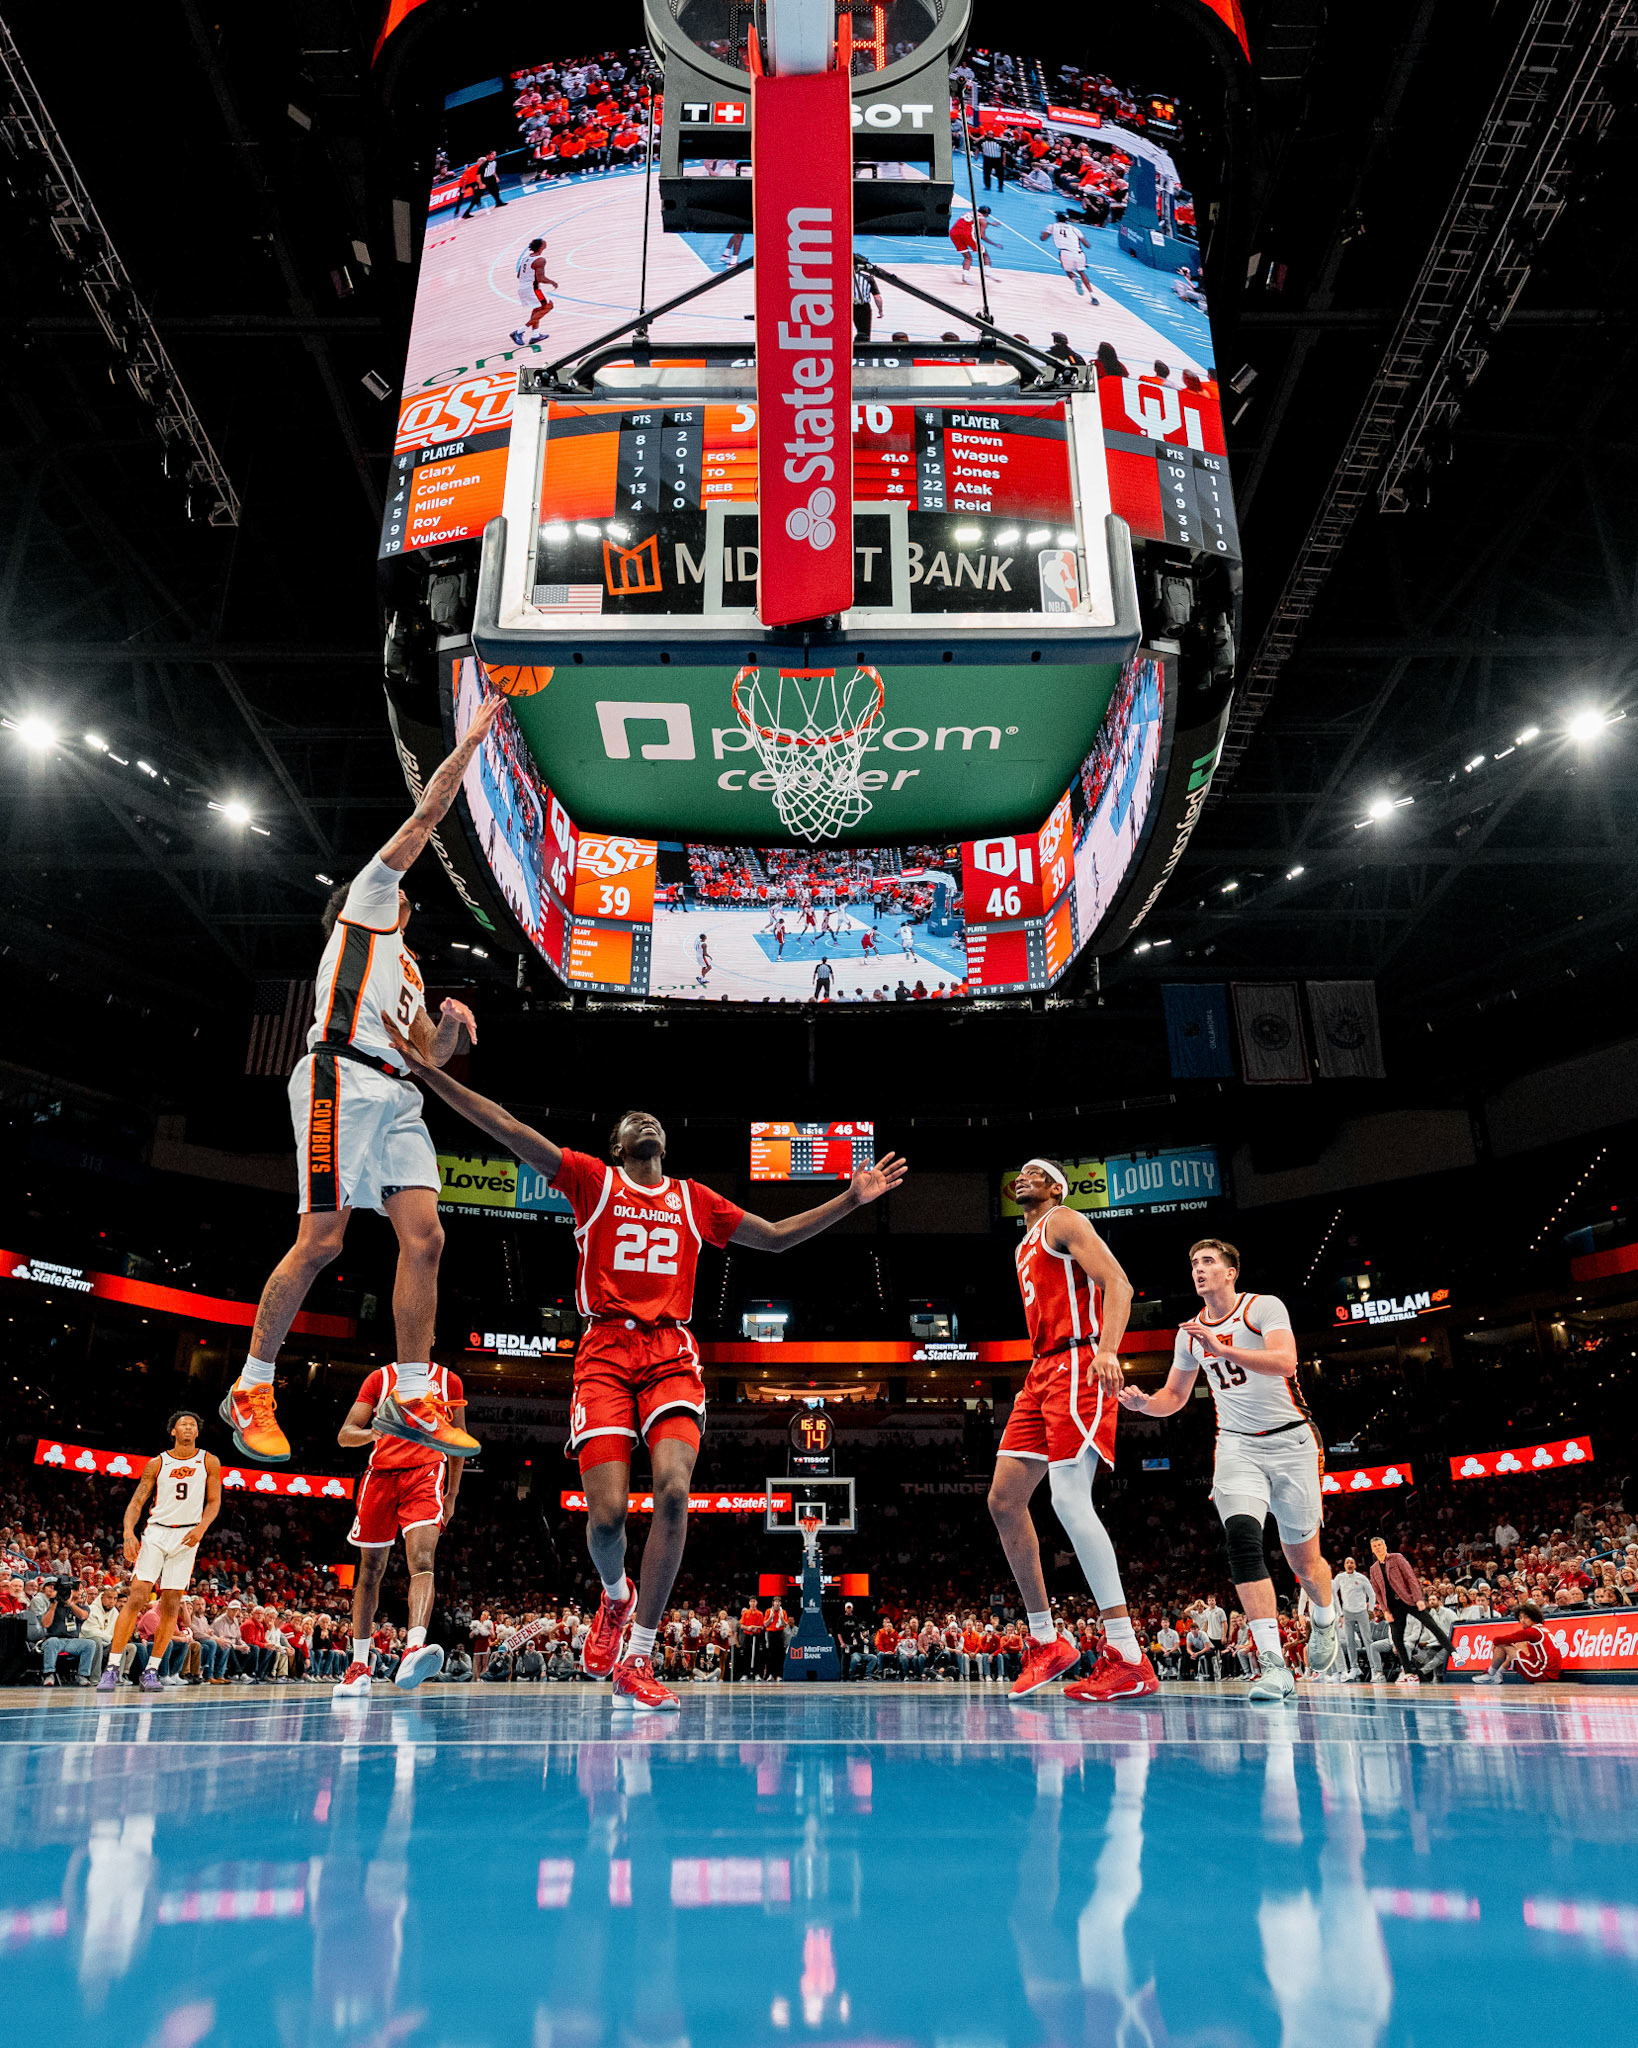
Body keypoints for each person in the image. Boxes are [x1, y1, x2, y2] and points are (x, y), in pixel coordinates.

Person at [373, 1041, 908, 1712]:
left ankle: (640, 1653)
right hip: (603, 1352)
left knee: (677, 1494)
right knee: (605, 1520)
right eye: (632, 1121)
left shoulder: (694, 1199)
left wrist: (850, 1199)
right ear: (619, 1145)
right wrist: (429, 1073)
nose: (644, 1121)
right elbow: (508, 1129)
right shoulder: (592, 1182)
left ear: (660, 1144)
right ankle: (616, 1596)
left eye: (651, 1120)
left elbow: (772, 1237)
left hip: (670, 1355)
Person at [222, 700, 498, 1466]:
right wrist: (470, 744)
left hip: (396, 1092)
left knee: (427, 1235)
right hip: (337, 1079)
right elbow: (426, 817)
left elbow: (427, 1055)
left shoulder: (403, 964)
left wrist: (452, 1030)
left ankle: (413, 1391)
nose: (408, 888)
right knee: (322, 1240)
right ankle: (250, 1385)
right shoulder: (366, 908)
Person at [1120, 1238, 1341, 1702]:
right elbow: (1175, 1397)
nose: (1198, 1270)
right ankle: (1274, 1666)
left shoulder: (1262, 1308)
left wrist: (1221, 1348)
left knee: (1303, 1561)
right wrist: (1145, 1405)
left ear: (1230, 1271)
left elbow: (1285, 1361)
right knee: (1242, 1541)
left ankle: (1324, 1615)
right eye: (1193, 1263)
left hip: (1292, 1440)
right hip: (1236, 1447)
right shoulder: (1188, 1333)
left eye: (1207, 1262)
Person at [987, 1158, 1159, 1704]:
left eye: (1034, 1173)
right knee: (1004, 1501)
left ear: (1056, 1187)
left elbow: (1119, 1283)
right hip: (1040, 1372)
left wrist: (1108, 1349)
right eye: (1017, 1173)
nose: (1021, 1178)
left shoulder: (1063, 1220)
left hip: (1077, 1362)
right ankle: (1046, 1640)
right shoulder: (1022, 1244)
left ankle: (1127, 1653)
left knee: (1068, 1499)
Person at [330, 1355, 468, 1697]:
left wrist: (451, 1494)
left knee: (422, 1561)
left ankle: (413, 1648)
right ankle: (359, 1666)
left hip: (425, 1473)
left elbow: (458, 1440)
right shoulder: (379, 1379)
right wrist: (372, 1431)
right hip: (380, 1477)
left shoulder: (448, 1380)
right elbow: (345, 1435)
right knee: (370, 1570)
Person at [98, 1410, 223, 1696]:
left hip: (187, 1535)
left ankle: (152, 1670)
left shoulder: (209, 1460)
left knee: (171, 1603)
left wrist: (202, 1529)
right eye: (183, 1424)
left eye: (193, 1424)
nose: (189, 1427)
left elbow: (214, 1501)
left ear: (197, 1433)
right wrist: (129, 1533)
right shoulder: (158, 1462)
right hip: (156, 1531)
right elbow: (137, 1500)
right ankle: (112, 1667)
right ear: (173, 1432)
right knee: (138, 1594)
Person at [1367, 1535, 1453, 1685]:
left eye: (1380, 1545)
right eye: (1375, 1546)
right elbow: (1378, 1593)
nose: (1378, 1548)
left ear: (1385, 1546)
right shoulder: (1373, 1569)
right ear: (1372, 1550)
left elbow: (1411, 1578)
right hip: (1393, 1608)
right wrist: (1385, 1610)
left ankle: (1452, 1652)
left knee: (1428, 1627)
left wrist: (1419, 1598)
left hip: (1408, 1602)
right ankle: (1401, 1673)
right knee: (1394, 1640)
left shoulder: (1397, 1558)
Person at [1474, 1601, 1563, 1684]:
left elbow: (1499, 1640)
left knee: (1503, 1644)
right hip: (1551, 1673)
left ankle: (1490, 1674)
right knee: (1515, 1647)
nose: (1522, 1621)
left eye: (1526, 1617)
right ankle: (1497, 1674)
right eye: (1520, 1618)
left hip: (1541, 1673)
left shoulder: (1532, 1631)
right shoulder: (1542, 1629)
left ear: (1533, 1616)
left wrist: (1496, 1644)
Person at [33, 1574, 96, 1686]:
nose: (79, 1592)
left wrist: (70, 1603)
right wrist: (54, 1605)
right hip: (53, 1639)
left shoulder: (83, 1607)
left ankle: (82, 1675)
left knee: (90, 1644)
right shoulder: (54, 1605)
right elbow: (45, 1624)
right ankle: (49, 1674)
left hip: (72, 1641)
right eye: (76, 1589)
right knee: (53, 1642)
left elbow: (83, 1616)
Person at [1334, 1553, 1384, 1681]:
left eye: (1352, 1562)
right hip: (1347, 1612)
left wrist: (1370, 1610)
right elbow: (1333, 1594)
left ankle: (1374, 1670)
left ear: (1355, 1565)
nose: (1349, 1564)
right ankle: (1354, 1668)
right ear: (1344, 1565)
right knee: (1350, 1641)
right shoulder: (1340, 1578)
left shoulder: (1361, 1578)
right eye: (1347, 1562)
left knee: (1368, 1640)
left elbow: (1372, 1595)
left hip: (1362, 1611)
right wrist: (1340, 1613)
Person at [509, 237, 558, 347]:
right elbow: (540, 278)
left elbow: (518, 275)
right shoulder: (540, 260)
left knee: (537, 309)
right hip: (533, 289)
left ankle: (535, 335)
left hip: (523, 288)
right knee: (549, 306)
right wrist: (552, 282)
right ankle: (519, 331)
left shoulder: (526, 258)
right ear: (541, 246)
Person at [1039, 214, 1097, 299]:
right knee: (1082, 272)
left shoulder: (1052, 226)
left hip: (1066, 253)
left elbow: (1043, 238)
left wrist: (1043, 233)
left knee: (1069, 272)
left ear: (1057, 219)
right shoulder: (1074, 228)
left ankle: (1075, 279)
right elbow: (1087, 245)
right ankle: (1093, 296)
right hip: (1079, 253)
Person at [851, 255, 883, 342]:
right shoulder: (868, 279)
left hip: (846, 306)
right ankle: (864, 352)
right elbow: (877, 297)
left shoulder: (841, 278)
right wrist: (880, 310)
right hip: (863, 307)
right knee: (864, 333)